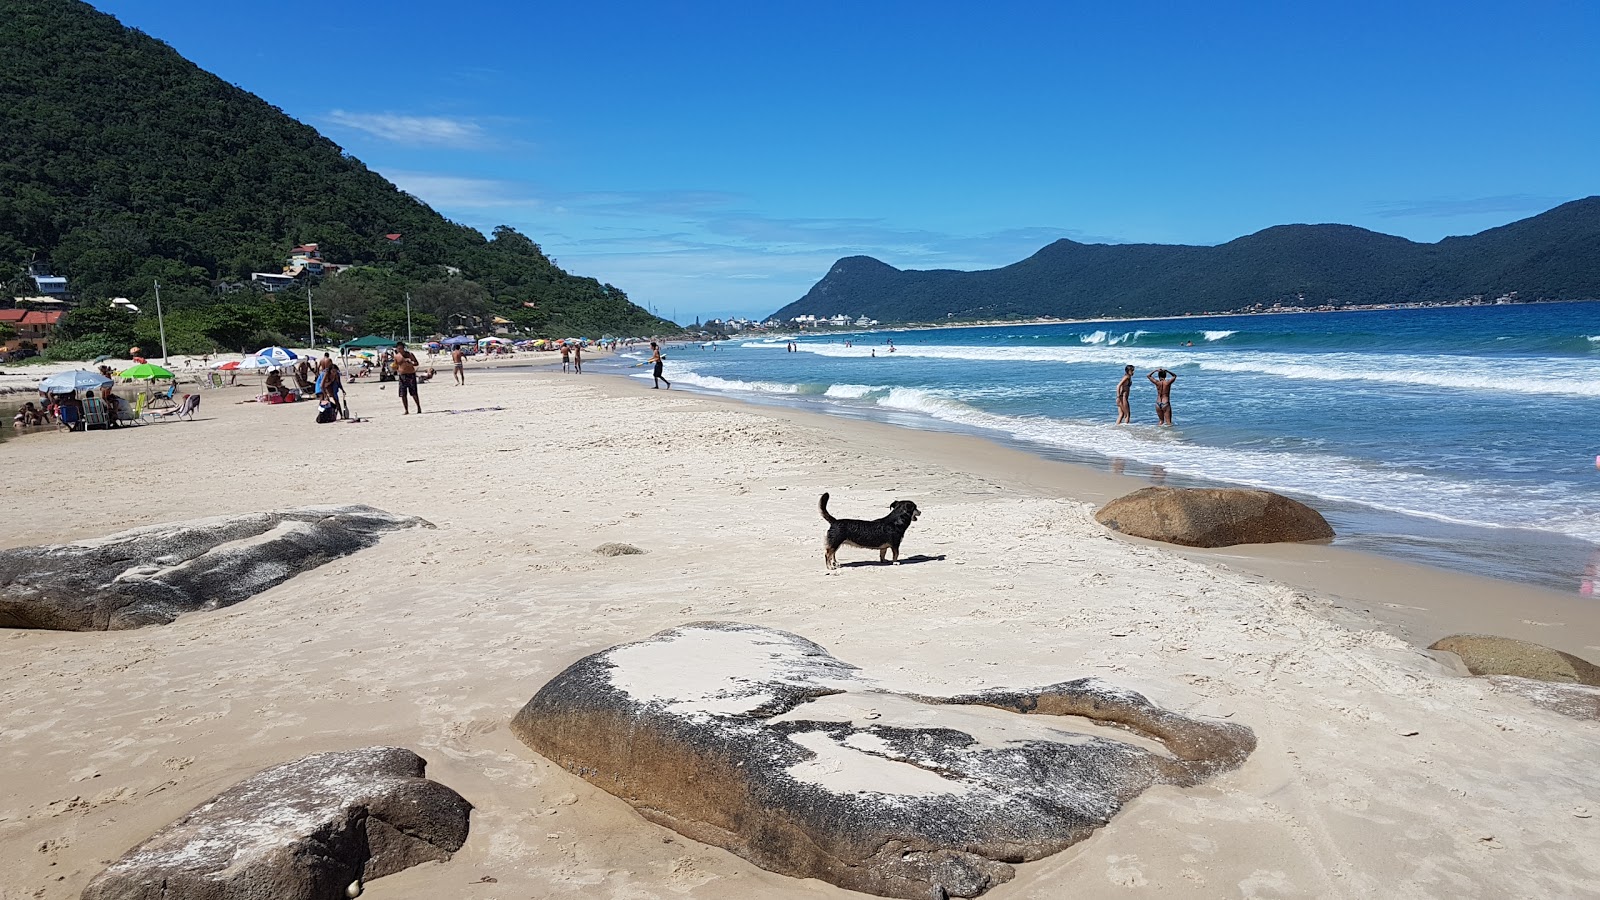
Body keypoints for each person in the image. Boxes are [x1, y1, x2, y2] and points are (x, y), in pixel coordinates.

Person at [393, 341, 421, 414]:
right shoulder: (396, 356)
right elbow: (395, 365)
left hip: (411, 374)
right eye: (398, 349)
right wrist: (395, 369)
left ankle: (418, 407)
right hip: (402, 375)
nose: (400, 350)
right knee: (403, 394)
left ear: (403, 348)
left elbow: (416, 363)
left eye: (401, 348)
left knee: (414, 393)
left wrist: (411, 363)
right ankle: (406, 410)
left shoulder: (409, 354)